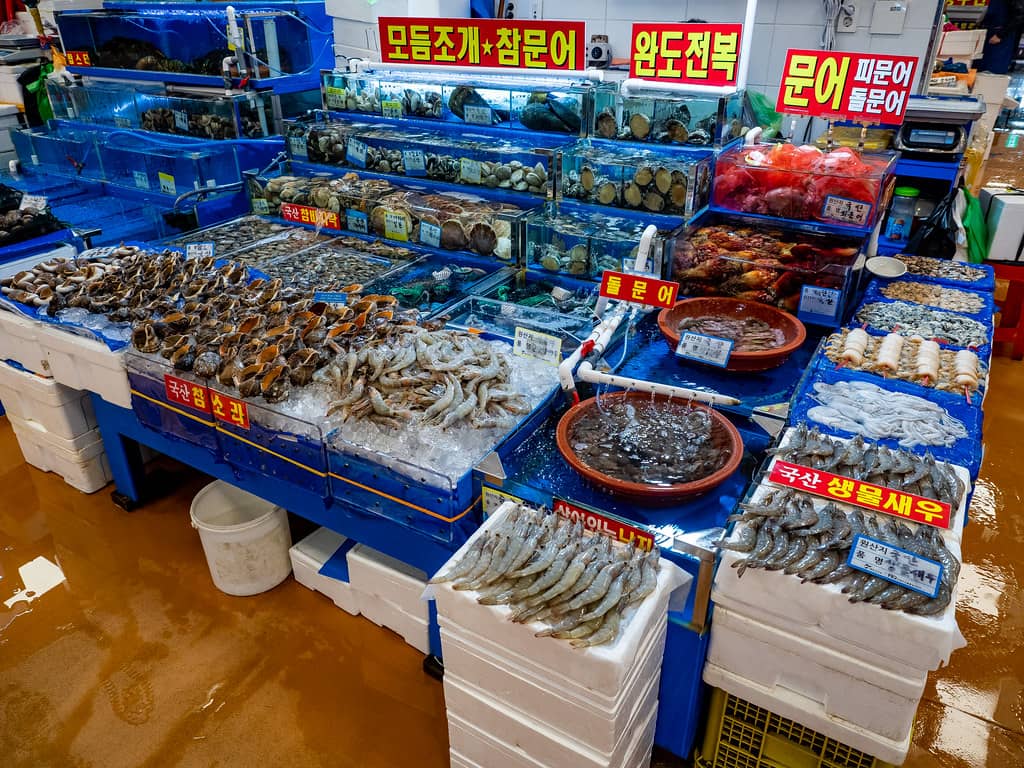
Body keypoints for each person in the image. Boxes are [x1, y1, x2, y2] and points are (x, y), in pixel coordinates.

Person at [980, 0, 1024, 73]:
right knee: (982, 72)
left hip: (1002, 39)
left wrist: (1000, 35)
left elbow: (1020, 15)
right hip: (990, 35)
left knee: (994, 73)